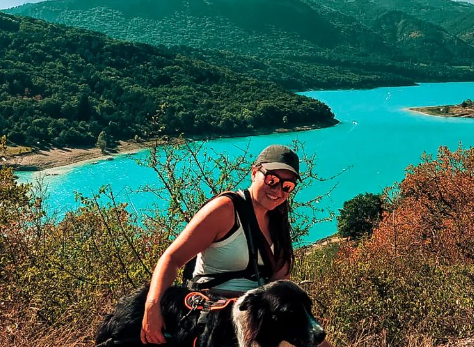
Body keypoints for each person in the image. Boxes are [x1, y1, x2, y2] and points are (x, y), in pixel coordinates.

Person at [141, 144, 332, 347]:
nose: (277, 190)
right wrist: (152, 307)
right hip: (217, 317)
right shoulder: (225, 210)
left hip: (258, 316)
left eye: (287, 186)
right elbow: (172, 259)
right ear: (254, 172)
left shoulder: (278, 220)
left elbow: (277, 283)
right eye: (272, 179)